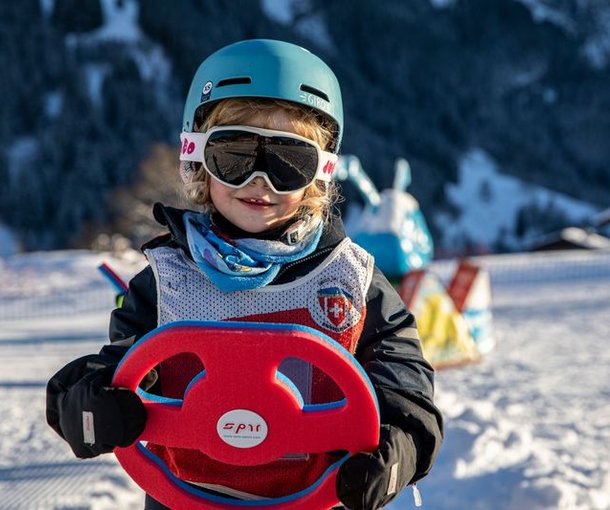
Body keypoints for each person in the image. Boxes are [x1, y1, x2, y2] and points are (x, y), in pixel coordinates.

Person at [46, 39, 443, 510]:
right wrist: (89, 404)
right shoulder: (170, 279)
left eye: (288, 163)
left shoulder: (351, 282)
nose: (260, 181)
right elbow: (123, 366)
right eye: (234, 157)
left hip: (318, 497)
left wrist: (400, 445)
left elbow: (405, 382)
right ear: (198, 158)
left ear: (320, 175)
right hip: (186, 498)